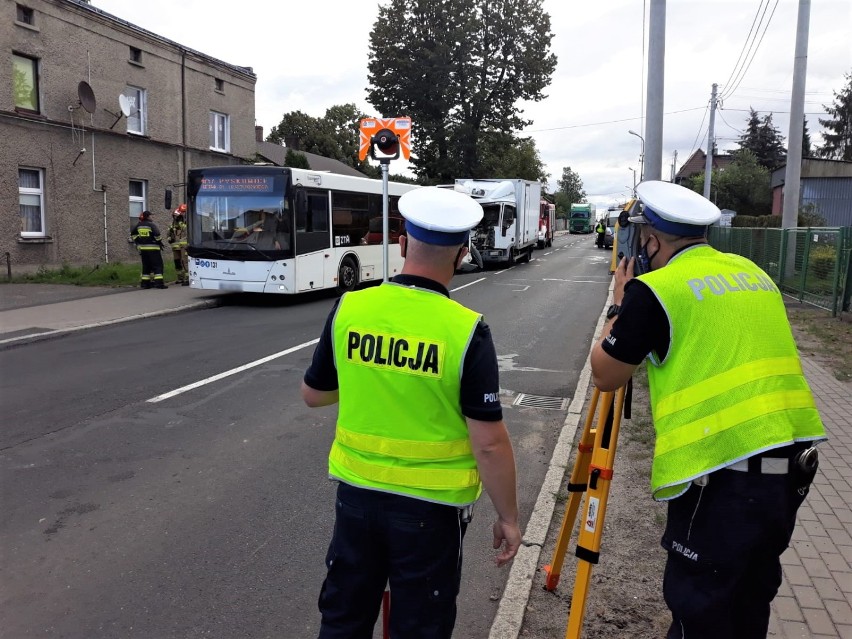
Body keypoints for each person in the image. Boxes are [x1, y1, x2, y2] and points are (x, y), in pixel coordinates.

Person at [590, 180, 826, 639]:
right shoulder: (752, 272)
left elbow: (606, 374)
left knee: (702, 615)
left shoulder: (656, 289)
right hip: (790, 468)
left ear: (652, 241)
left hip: (722, 474)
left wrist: (620, 306)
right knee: (748, 605)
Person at [301, 186, 521, 639]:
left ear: (401, 243)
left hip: (356, 499)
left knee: (343, 619)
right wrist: (509, 517)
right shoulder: (466, 330)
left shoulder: (351, 307)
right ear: (462, 255)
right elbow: (489, 442)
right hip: (430, 514)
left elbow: (315, 395)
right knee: (419, 626)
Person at [130, 210, 167, 289]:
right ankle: (159, 284)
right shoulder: (151, 225)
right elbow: (157, 234)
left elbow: (133, 234)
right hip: (153, 248)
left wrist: (138, 241)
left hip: (143, 249)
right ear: (148, 216)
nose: (152, 217)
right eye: (151, 216)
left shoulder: (139, 225)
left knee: (146, 266)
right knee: (158, 266)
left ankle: (145, 284)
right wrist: (159, 241)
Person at [168, 204, 189, 285]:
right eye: (175, 216)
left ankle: (188, 278)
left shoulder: (187, 222)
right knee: (177, 262)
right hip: (175, 246)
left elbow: (186, 230)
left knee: (185, 261)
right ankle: (180, 278)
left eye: (183, 212)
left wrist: (181, 222)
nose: (176, 217)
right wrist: (169, 238)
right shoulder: (173, 224)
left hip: (184, 245)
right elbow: (169, 232)